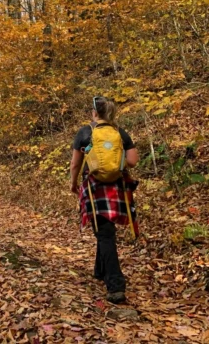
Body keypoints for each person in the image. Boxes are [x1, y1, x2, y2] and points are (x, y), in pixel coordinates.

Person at [69, 96, 139, 304]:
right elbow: (133, 161)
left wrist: (74, 184)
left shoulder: (85, 132)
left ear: (94, 113)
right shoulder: (120, 133)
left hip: (94, 188)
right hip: (116, 188)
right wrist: (114, 160)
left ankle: (115, 285)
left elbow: (75, 164)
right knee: (105, 232)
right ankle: (100, 271)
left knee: (104, 234)